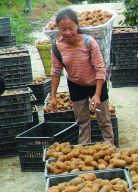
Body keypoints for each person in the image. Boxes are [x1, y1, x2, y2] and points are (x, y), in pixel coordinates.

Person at [49, 8, 114, 145]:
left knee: (104, 119)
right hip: (75, 85)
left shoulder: (89, 42)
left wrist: (97, 94)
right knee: (82, 121)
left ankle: (109, 146)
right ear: (58, 29)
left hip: (96, 84)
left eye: (71, 28)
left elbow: (100, 68)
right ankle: (85, 148)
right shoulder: (56, 47)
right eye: (63, 29)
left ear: (77, 26)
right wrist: (53, 96)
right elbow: (55, 72)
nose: (67, 32)